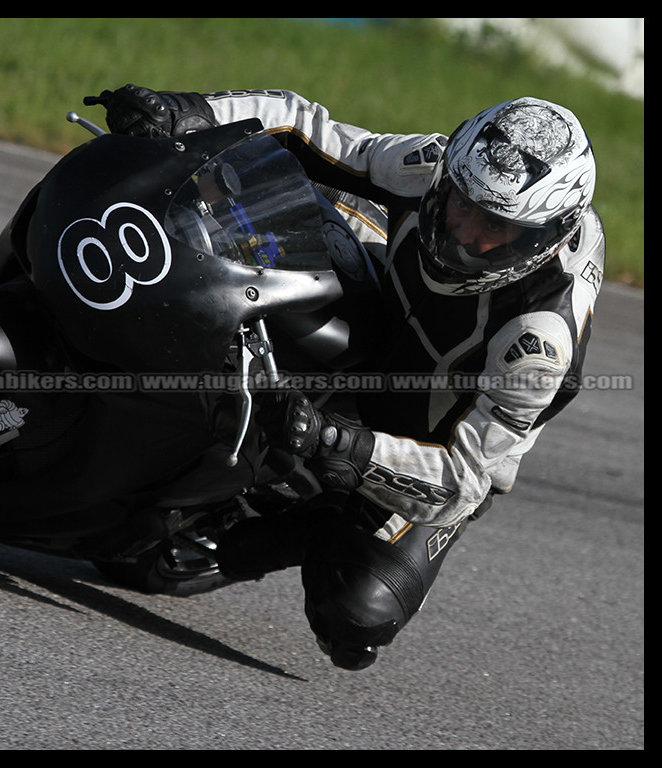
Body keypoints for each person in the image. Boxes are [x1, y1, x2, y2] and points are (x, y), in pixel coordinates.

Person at [85, 85, 605, 670]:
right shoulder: (442, 168)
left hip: (429, 432)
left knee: (358, 615)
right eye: (460, 204)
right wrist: (191, 111)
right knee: (265, 197)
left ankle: (290, 526)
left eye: (495, 230)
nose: (463, 234)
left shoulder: (538, 343)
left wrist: (342, 444)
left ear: (542, 239)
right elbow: (309, 129)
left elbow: (464, 481)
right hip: (388, 310)